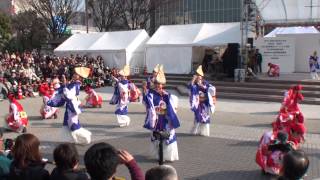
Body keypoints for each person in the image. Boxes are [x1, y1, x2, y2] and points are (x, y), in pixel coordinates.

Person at [143, 65, 180, 162]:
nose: (158, 86)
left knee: (168, 136)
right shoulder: (150, 95)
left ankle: (168, 156)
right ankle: (157, 155)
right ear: (154, 84)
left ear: (162, 85)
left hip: (165, 119)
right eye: (157, 84)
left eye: (160, 84)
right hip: (156, 119)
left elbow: (173, 107)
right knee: (156, 137)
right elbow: (146, 104)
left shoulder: (167, 95)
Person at [47, 68, 92, 145]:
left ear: (80, 77)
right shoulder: (73, 83)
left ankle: (86, 136)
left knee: (73, 125)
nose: (74, 75)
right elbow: (65, 89)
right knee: (66, 124)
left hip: (72, 106)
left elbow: (69, 94)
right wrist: (62, 84)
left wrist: (64, 84)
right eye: (74, 73)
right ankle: (68, 141)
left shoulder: (76, 84)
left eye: (76, 74)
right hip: (70, 106)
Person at [189, 65, 216, 137]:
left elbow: (211, 89)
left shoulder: (205, 83)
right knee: (198, 116)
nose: (198, 77)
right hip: (198, 103)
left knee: (205, 118)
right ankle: (195, 130)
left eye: (199, 75)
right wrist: (193, 80)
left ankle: (204, 132)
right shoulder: (194, 84)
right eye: (197, 75)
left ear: (202, 76)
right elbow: (191, 87)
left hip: (204, 103)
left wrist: (203, 86)